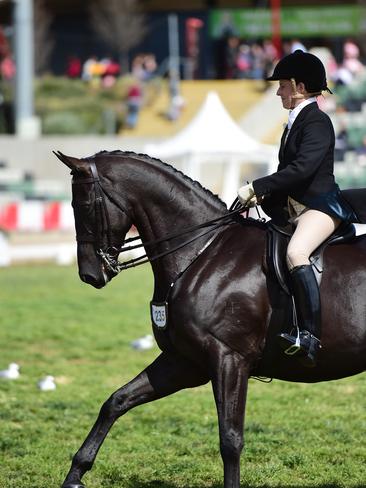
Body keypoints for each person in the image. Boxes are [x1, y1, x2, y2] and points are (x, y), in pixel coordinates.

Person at [237, 50, 357, 367]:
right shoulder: (296, 120)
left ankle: (310, 336)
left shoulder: (317, 121)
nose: (278, 92)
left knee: (296, 253)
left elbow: (302, 169)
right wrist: (260, 198)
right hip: (297, 206)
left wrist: (259, 186)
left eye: (282, 86)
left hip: (321, 206)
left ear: (299, 87)